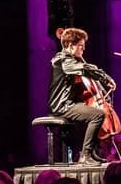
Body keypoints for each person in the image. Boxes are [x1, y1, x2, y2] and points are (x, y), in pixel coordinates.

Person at [49, 27, 116, 165]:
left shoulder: (72, 60)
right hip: (63, 105)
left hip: (71, 103)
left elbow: (84, 69)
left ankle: (91, 152)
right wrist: (105, 78)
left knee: (96, 113)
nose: (83, 50)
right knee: (98, 115)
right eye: (80, 46)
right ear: (70, 45)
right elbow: (84, 69)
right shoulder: (62, 60)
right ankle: (85, 155)